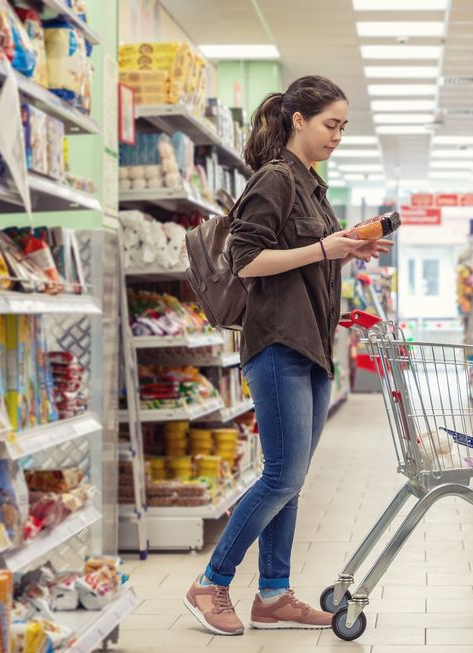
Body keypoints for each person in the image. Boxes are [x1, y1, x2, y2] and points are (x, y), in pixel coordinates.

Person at [184, 75, 393, 635]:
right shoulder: (274, 180)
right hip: (277, 343)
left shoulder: (313, 187)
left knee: (292, 479)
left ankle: (273, 593)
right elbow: (247, 260)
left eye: (345, 127)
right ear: (298, 120)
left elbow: (302, 262)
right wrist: (324, 247)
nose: (338, 135)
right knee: (280, 476)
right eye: (331, 124)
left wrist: (344, 252)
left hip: (313, 346)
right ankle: (211, 582)